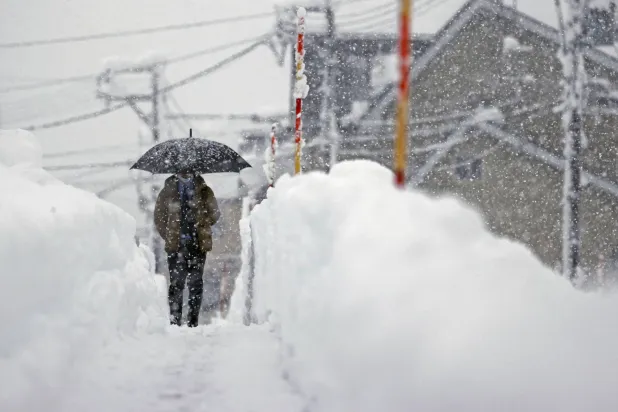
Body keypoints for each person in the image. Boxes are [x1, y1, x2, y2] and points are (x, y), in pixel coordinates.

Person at [154, 171, 220, 327]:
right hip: (176, 247)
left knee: (196, 284)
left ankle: (192, 321)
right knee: (176, 284)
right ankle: (175, 320)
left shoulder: (205, 191)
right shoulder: (167, 191)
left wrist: (203, 222)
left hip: (197, 244)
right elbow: (159, 217)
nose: (186, 170)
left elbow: (215, 214)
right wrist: (170, 234)